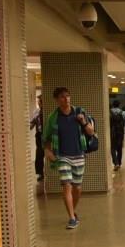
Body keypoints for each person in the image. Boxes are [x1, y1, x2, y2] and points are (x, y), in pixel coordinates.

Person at [42, 86, 96, 229]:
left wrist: (83, 121)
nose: (66, 99)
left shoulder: (79, 112)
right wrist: (48, 151)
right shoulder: (53, 117)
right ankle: (72, 218)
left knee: (77, 188)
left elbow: (91, 132)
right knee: (67, 185)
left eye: (67, 96)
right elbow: (46, 137)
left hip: (79, 154)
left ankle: (72, 210)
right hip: (62, 156)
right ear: (56, 100)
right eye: (62, 97)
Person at [108, 99, 125, 171]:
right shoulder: (122, 112)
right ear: (119, 105)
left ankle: (116, 163)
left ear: (113, 105)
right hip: (120, 132)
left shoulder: (110, 112)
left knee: (112, 148)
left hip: (113, 132)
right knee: (119, 148)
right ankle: (119, 162)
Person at [30, 95, 43, 182]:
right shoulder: (36, 112)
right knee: (39, 154)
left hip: (48, 135)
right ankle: (40, 173)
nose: (39, 103)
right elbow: (31, 125)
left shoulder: (49, 111)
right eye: (38, 102)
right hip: (39, 135)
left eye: (40, 102)